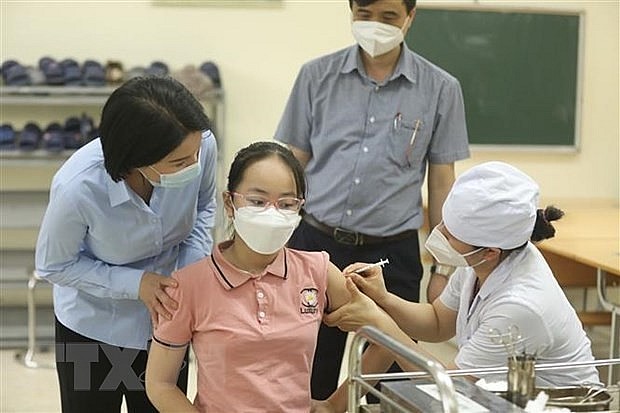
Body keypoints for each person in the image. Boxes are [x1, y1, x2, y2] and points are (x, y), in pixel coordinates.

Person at [274, 0, 470, 399]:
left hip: (392, 253)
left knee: (388, 374)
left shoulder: (440, 88)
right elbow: (291, 164)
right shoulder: (316, 76)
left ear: (410, 19)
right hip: (315, 244)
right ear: (351, 13)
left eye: (388, 17)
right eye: (364, 15)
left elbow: (441, 181)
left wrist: (443, 266)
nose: (375, 26)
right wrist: (272, 236)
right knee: (309, 362)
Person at [145, 141, 393, 413]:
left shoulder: (318, 271)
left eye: (286, 203)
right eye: (257, 201)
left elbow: (386, 341)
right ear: (230, 202)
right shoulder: (189, 285)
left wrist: (335, 405)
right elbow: (160, 383)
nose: (272, 213)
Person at [325, 161, 601, 387]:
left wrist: (378, 323)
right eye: (445, 223)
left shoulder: (520, 305)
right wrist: (384, 299)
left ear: (490, 251)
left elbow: (453, 384)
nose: (440, 234)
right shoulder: (481, 262)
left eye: (451, 234)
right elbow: (436, 323)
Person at [35, 76, 218, 413]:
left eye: (196, 155)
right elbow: (54, 265)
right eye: (179, 163)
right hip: (92, 326)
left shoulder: (200, 145)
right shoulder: (78, 188)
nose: (194, 166)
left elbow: (204, 206)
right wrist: (136, 284)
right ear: (136, 160)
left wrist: (192, 269)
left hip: (163, 324)